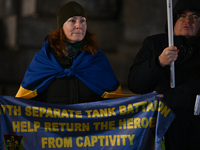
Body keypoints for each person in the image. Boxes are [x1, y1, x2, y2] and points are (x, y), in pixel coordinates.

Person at [15, 1, 127, 104]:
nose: (79, 25)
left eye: (83, 21)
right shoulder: (44, 60)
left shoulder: (97, 59)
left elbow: (115, 106)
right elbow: (24, 106)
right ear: (61, 26)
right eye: (72, 21)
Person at [128, 0, 200, 149]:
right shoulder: (155, 44)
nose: (188, 21)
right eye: (182, 16)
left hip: (194, 130)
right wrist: (158, 62)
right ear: (173, 20)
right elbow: (134, 83)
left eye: (194, 17)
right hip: (159, 128)